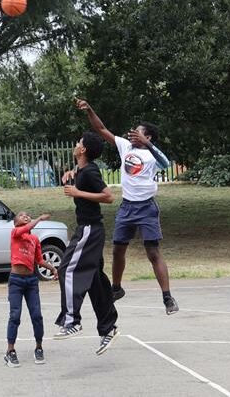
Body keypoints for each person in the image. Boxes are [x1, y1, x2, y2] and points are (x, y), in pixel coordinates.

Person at [76, 99, 179, 315]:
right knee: (117, 250)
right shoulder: (125, 146)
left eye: (138, 133)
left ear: (148, 137)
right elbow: (101, 129)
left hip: (147, 208)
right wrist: (90, 109)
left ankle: (167, 298)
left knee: (153, 252)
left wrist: (148, 144)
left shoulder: (152, 154)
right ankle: (116, 288)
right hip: (127, 207)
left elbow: (166, 163)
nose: (133, 135)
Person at [54, 132, 120, 355]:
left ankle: (72, 321)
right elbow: (82, 177)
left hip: (90, 229)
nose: (75, 145)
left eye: (78, 143)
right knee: (95, 281)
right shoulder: (82, 170)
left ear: (82, 150)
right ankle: (108, 327)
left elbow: (109, 196)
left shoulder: (90, 170)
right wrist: (72, 174)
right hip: (90, 229)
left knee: (67, 270)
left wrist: (77, 191)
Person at [3, 212, 58, 367]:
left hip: (31, 281)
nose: (26, 216)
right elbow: (25, 228)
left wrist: (52, 268)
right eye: (21, 216)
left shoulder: (34, 239)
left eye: (28, 215)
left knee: (37, 315)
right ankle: (10, 351)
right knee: (15, 315)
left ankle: (39, 347)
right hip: (16, 281)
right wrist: (38, 219)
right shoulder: (15, 233)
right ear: (15, 223)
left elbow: (39, 260)